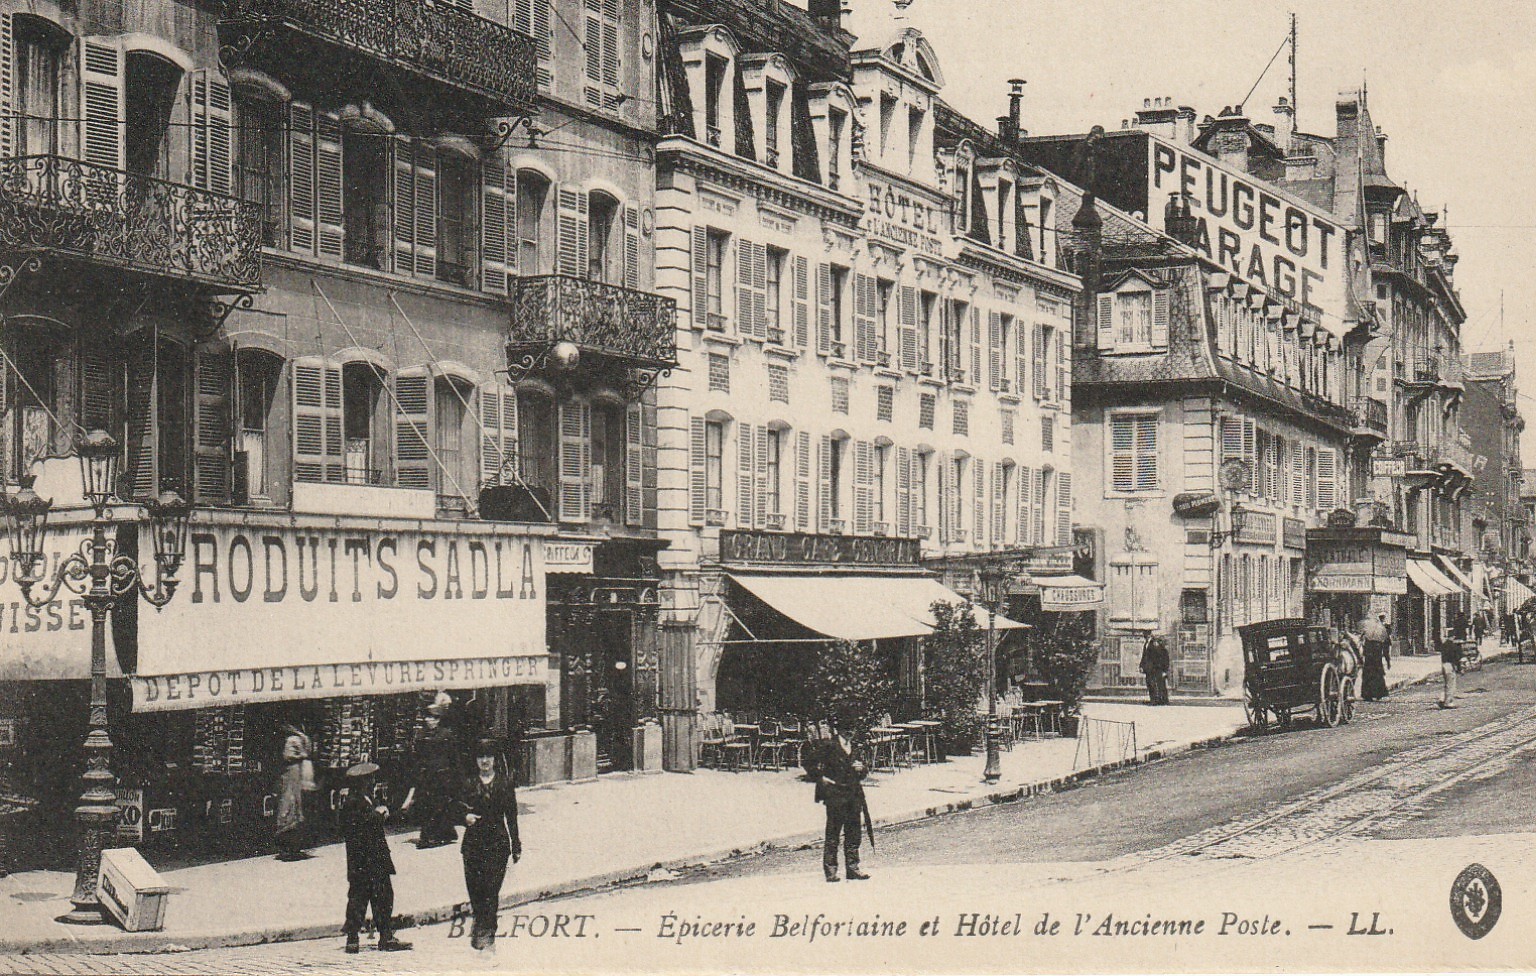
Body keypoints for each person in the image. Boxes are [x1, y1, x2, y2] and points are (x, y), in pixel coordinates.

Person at [339, 762, 412, 954]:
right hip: (369, 861)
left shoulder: (363, 799)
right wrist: (378, 815)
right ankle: (371, 937)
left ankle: (363, 937)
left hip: (366, 861)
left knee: (370, 897)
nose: (373, 783)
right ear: (363, 782)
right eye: (370, 779)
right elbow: (363, 825)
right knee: (370, 898)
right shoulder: (354, 802)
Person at [457, 738, 522, 951]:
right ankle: (481, 922)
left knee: (491, 888)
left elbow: (511, 814)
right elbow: (455, 808)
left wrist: (516, 843)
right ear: (475, 760)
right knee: (475, 889)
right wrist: (464, 817)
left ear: (495, 760)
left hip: (497, 842)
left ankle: (487, 930)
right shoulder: (468, 783)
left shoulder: (504, 782)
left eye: (489, 757)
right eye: (480, 757)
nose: (485, 761)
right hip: (473, 843)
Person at [805, 718, 871, 883]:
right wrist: (821, 778)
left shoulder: (855, 747)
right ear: (839, 729)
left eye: (853, 728)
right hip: (836, 795)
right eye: (846, 728)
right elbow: (808, 761)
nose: (850, 732)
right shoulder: (829, 745)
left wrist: (862, 769)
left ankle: (853, 868)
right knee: (834, 833)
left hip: (853, 794)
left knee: (854, 833)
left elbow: (863, 770)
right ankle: (831, 871)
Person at [400, 704, 459, 848]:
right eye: (427, 717)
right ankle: (435, 835)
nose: (429, 720)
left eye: (432, 717)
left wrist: (453, 775)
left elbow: (453, 757)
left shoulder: (446, 734)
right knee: (427, 805)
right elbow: (418, 756)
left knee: (440, 805)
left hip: (442, 775)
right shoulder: (421, 735)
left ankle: (432, 836)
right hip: (426, 775)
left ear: (438, 719)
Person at [275, 723, 314, 860]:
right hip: (292, 774)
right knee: (289, 807)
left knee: (295, 807)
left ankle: (293, 847)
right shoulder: (292, 740)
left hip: (297, 774)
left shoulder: (298, 738)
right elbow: (288, 755)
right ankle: (288, 847)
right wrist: (302, 755)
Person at [1359, 614, 1391, 702]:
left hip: (1369, 657)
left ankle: (1367, 694)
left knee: (1367, 674)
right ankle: (1378, 694)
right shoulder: (1381, 630)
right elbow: (1386, 648)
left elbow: (1361, 642)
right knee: (1378, 674)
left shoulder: (1368, 630)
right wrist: (1388, 661)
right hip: (1377, 657)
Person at [1438, 624, 1465, 709]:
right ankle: (1448, 702)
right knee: (1451, 684)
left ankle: (1442, 699)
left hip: (1444, 665)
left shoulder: (1444, 644)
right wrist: (1460, 669)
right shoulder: (1454, 646)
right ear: (1453, 637)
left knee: (1446, 684)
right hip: (1450, 666)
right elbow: (1456, 659)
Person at [1139, 633, 1170, 706]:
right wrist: (1141, 666)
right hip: (1149, 668)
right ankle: (1155, 699)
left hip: (1155, 668)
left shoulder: (1155, 644)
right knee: (1151, 684)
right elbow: (1144, 656)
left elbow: (1161, 657)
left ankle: (1158, 700)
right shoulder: (1146, 644)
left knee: (1157, 684)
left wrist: (1163, 669)